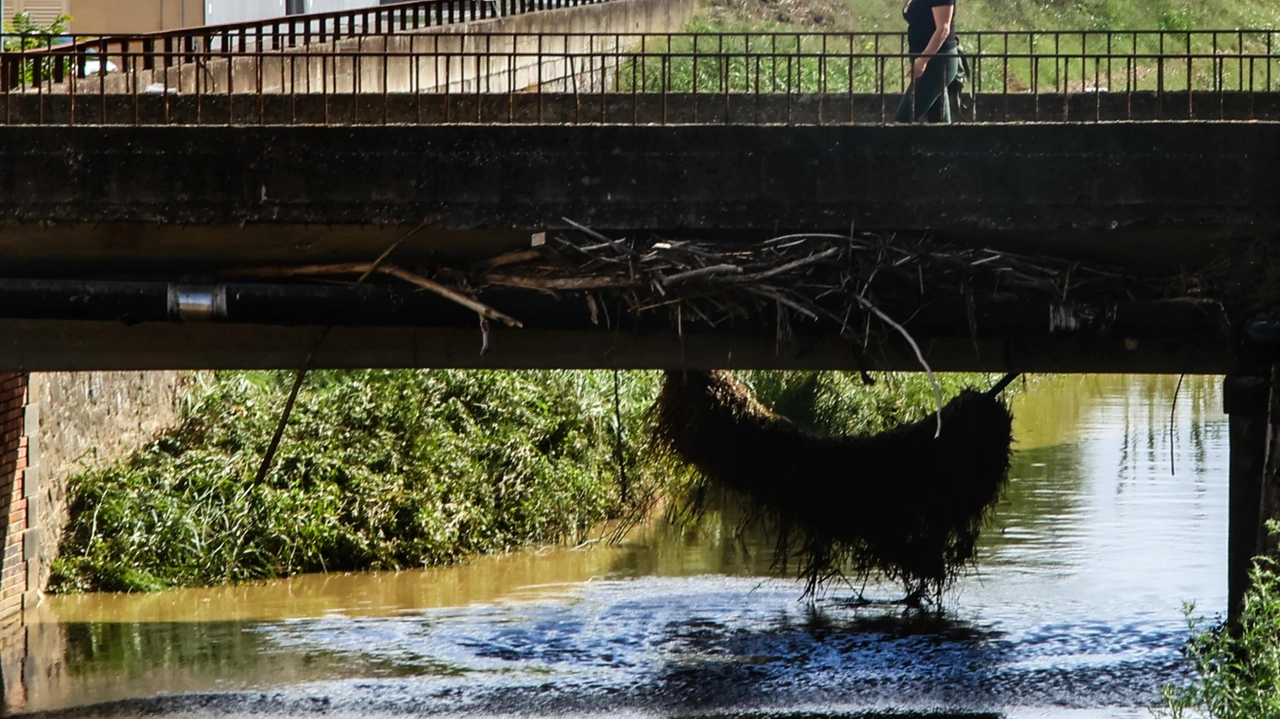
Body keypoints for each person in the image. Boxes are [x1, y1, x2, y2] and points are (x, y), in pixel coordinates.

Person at [894, 0, 959, 124]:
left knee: (903, 119)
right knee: (939, 121)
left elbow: (943, 29)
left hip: (938, 62)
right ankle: (949, 143)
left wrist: (923, 59)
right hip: (926, 60)